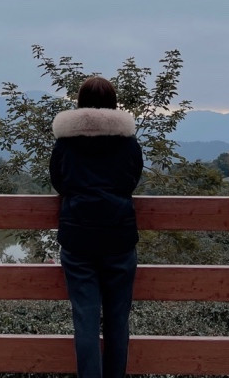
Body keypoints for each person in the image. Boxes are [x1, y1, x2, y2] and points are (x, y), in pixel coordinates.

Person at [49, 76, 143, 378]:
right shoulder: (128, 142)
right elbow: (131, 181)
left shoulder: (65, 142)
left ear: (80, 103)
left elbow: (59, 182)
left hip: (78, 238)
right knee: (118, 321)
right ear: (113, 103)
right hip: (119, 237)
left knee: (85, 321)